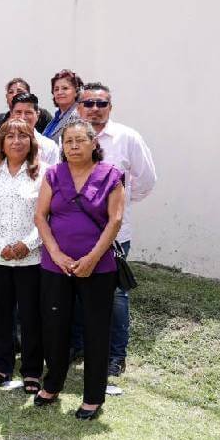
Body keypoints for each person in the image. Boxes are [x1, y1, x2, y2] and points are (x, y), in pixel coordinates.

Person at [33, 121, 125, 420]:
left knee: (96, 330)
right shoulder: (53, 174)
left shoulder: (111, 175)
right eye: (68, 141)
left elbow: (115, 220)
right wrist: (56, 253)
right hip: (55, 265)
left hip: (98, 267)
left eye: (79, 140)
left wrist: (92, 258)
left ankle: (93, 397)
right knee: (54, 327)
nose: (73, 146)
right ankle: (52, 384)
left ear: (93, 143)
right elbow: (40, 216)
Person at [74, 82, 157, 377]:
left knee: (115, 297)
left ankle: (115, 355)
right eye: (88, 103)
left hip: (114, 235)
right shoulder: (70, 137)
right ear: (79, 108)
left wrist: (119, 205)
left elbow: (146, 180)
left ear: (110, 107)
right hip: (75, 234)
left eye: (101, 104)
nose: (94, 109)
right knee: (76, 292)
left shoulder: (127, 138)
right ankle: (77, 346)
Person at [0, 119, 44, 392]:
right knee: (1, 313)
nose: (16, 141)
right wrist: (1, 245)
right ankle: (2, 366)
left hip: (31, 257)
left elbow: (47, 215)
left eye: (22, 136)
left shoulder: (43, 173)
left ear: (31, 141)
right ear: (1, 142)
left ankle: (32, 370)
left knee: (30, 315)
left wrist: (28, 244)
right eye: (10, 136)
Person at [9, 93, 60, 166]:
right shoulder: (3, 144)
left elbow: (54, 172)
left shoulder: (49, 147)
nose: (23, 117)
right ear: (11, 115)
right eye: (18, 112)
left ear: (37, 115)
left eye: (28, 113)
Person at [42, 69, 83, 141]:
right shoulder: (57, 117)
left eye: (65, 88)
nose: (59, 92)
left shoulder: (79, 116)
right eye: (56, 89)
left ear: (76, 92)